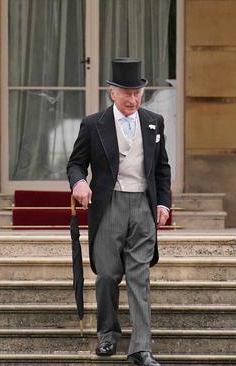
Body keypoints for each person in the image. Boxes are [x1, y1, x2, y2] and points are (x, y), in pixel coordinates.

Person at [67, 58, 171, 366]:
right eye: (126, 92)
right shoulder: (93, 123)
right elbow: (75, 163)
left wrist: (163, 203)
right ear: (112, 93)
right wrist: (79, 184)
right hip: (109, 204)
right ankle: (108, 334)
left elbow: (162, 168)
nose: (133, 99)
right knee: (108, 275)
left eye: (137, 92)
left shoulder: (154, 121)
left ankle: (141, 348)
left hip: (143, 206)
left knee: (139, 276)